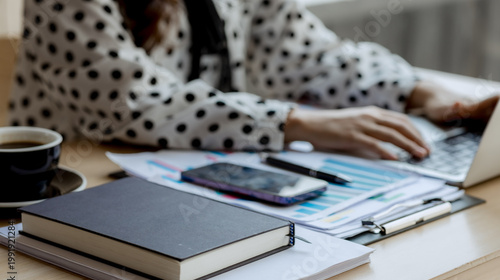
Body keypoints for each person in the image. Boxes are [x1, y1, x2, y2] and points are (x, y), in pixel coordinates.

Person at [8, 0, 498, 160]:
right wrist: (296, 121)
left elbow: (307, 53)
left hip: (198, 181)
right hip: (78, 202)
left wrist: (424, 93)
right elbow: (132, 103)